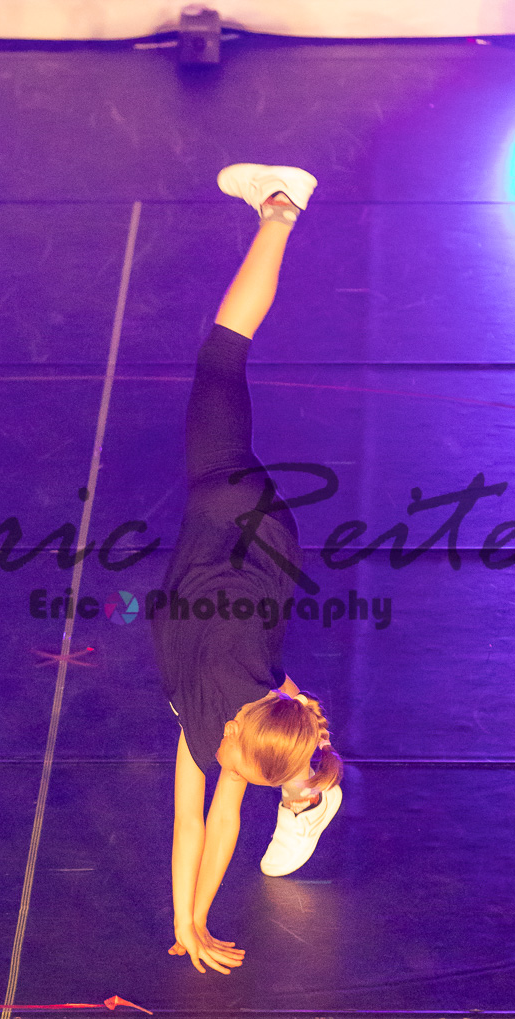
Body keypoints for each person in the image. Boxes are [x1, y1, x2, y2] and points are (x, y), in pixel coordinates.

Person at [150, 164, 344, 975]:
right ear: (240, 728)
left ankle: (310, 783)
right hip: (234, 516)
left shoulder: (242, 724)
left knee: (222, 363)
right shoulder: (218, 720)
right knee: (220, 358)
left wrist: (190, 922)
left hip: (253, 554)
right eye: (231, 759)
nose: (218, 769)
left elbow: (204, 823)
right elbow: (205, 808)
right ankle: (279, 207)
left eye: (232, 767)